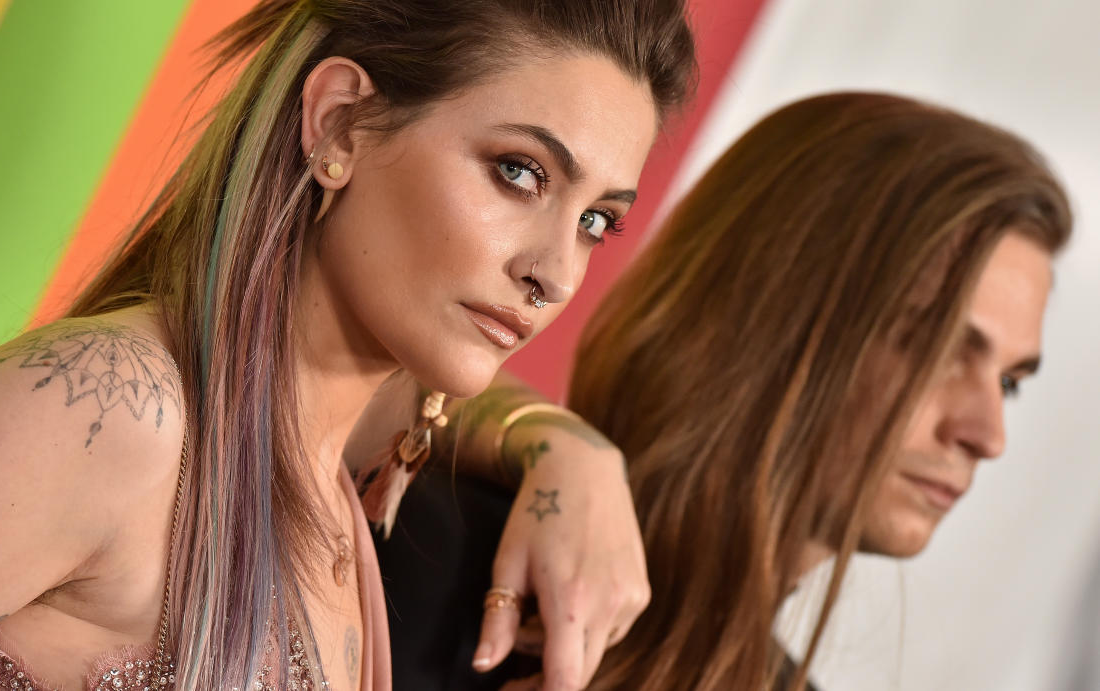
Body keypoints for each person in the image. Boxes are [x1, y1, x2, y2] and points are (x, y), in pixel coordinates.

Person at [0, 0, 696, 691]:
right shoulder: (117, 415)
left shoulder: (340, 516)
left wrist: (568, 447)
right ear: (339, 123)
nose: (552, 272)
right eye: (519, 172)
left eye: (597, 221)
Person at [370, 91, 1072, 691]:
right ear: (773, 308)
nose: (987, 434)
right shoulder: (412, 543)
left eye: (1009, 382)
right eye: (944, 348)